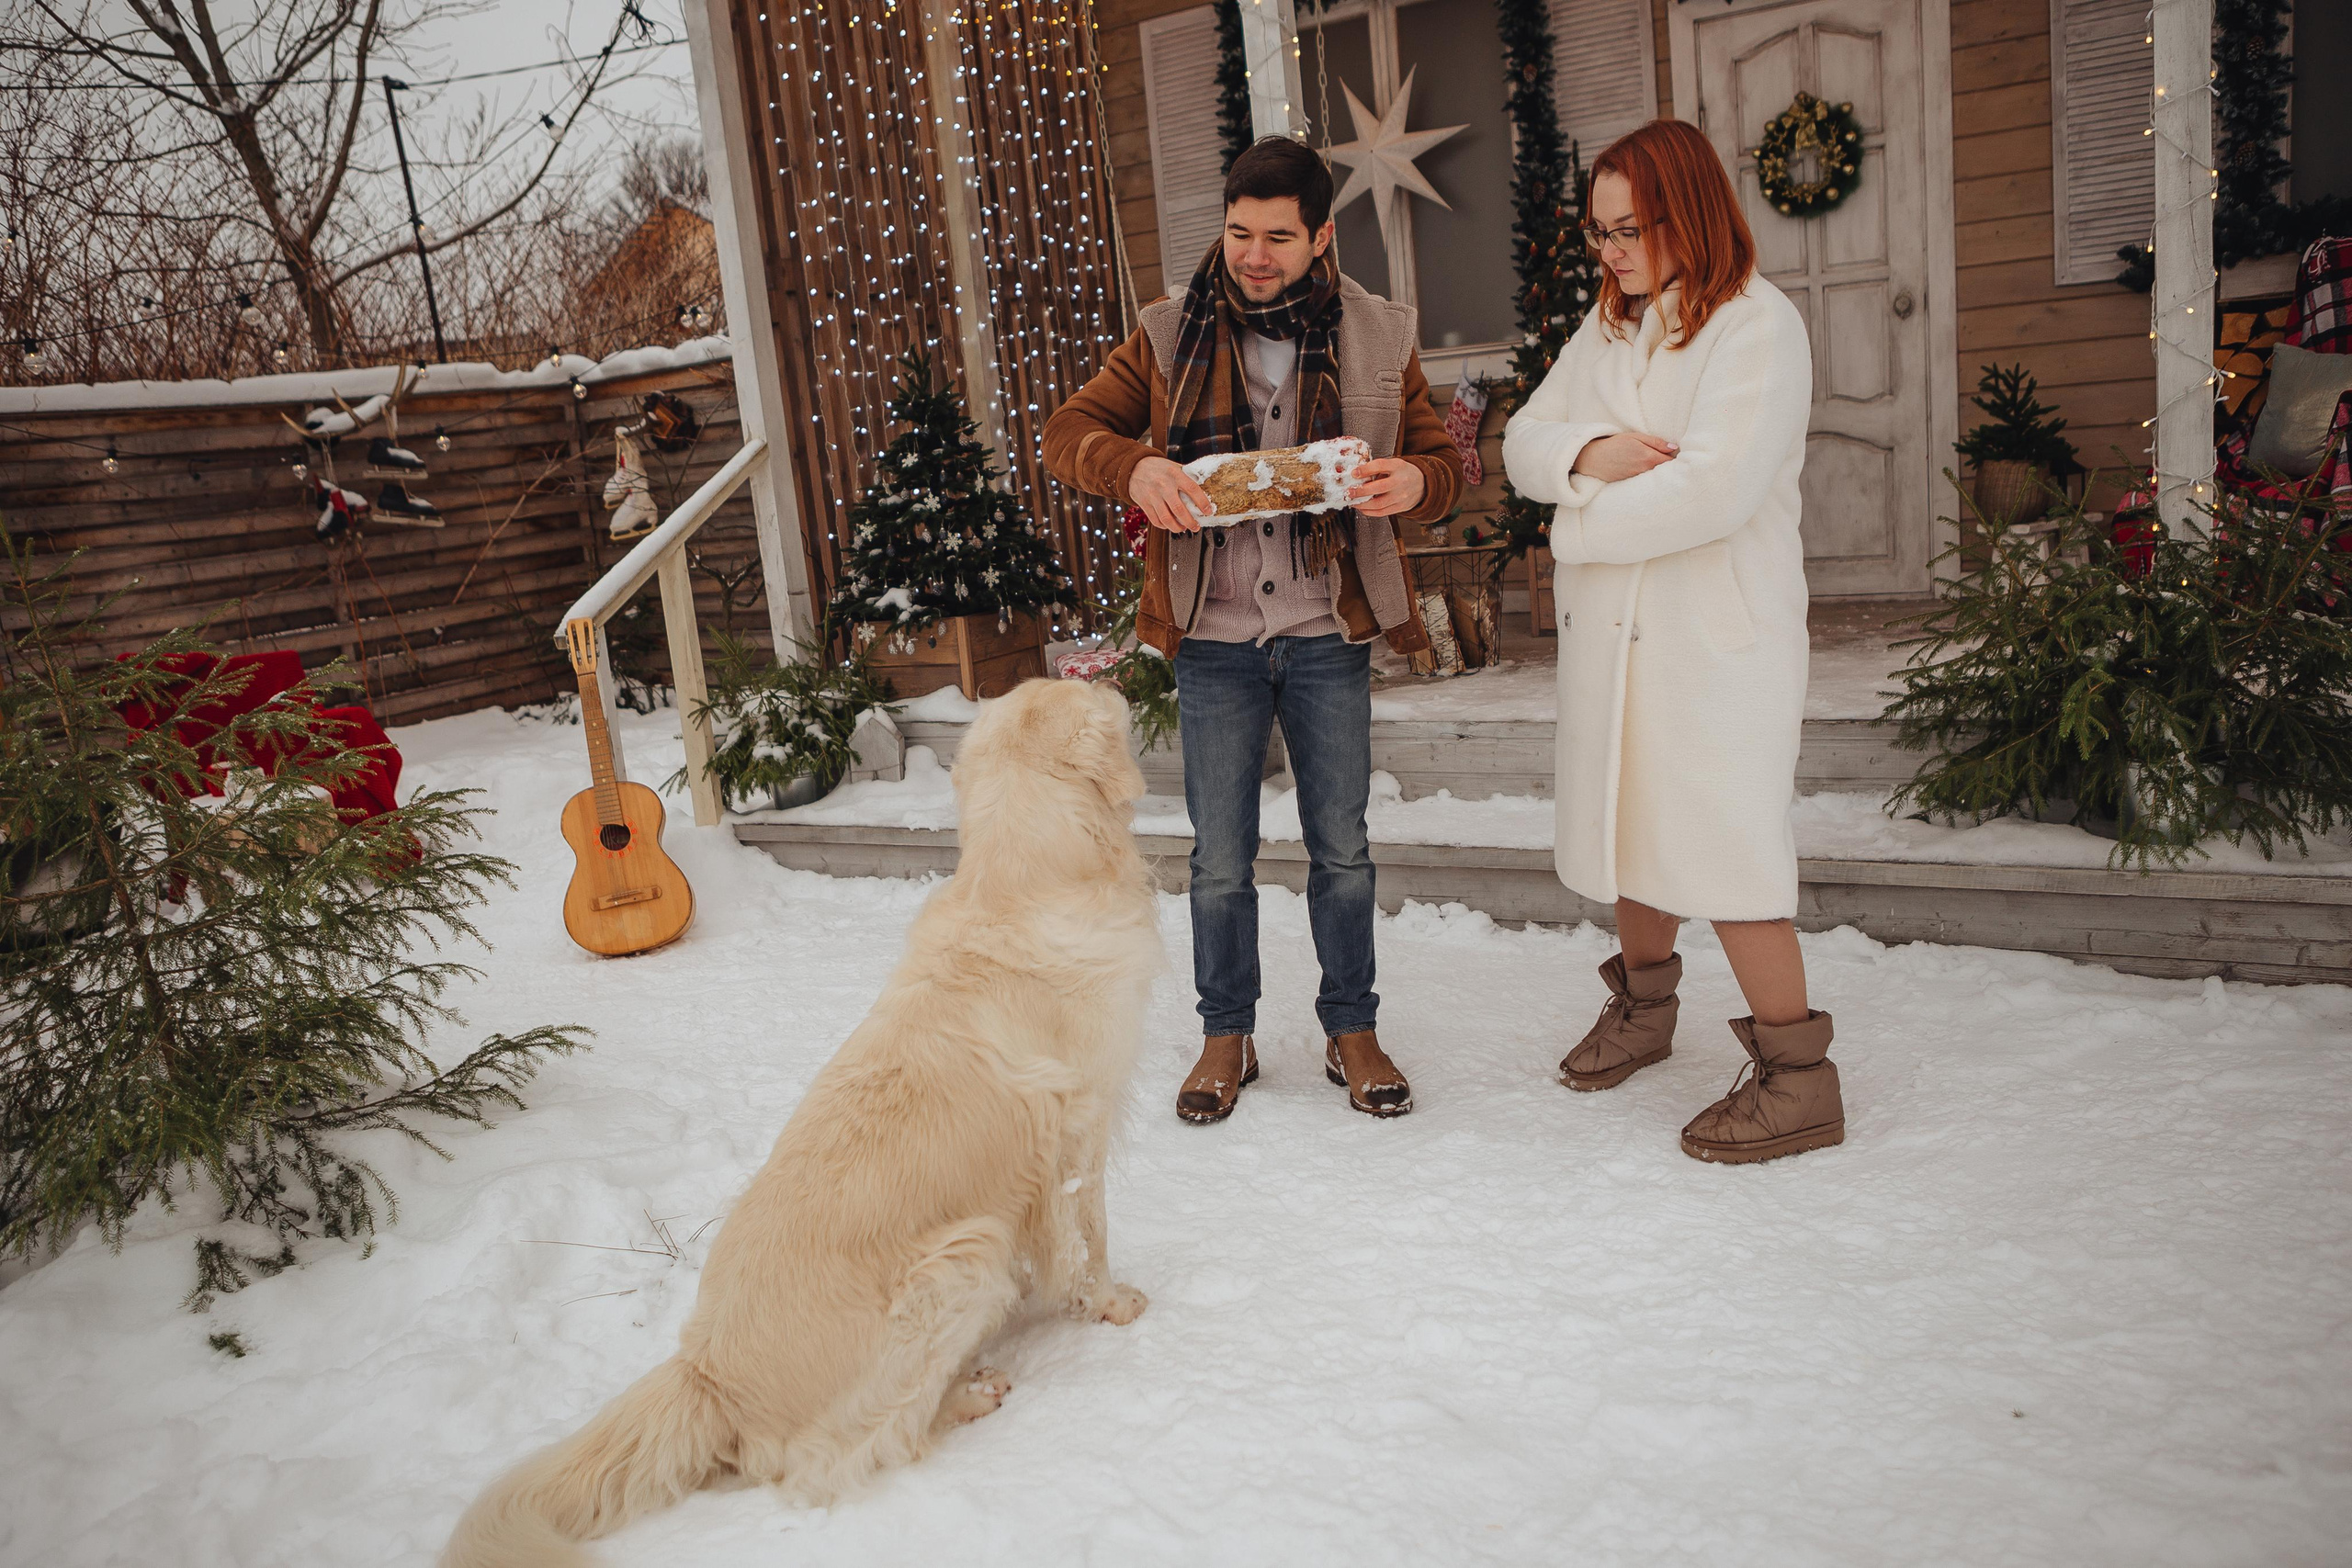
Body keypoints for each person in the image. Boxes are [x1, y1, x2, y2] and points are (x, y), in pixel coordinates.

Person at [1042, 136, 1464, 1125]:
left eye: (1279, 236)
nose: (1254, 254)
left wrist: (1414, 482)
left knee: (1344, 850)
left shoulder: (1379, 331)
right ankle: (1223, 1033)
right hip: (1216, 638)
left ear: (1322, 237)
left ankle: (1350, 1028)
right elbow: (1067, 433)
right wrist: (1135, 468)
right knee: (1218, 858)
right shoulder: (1164, 331)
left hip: (1327, 630)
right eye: (1239, 232)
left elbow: (1439, 465)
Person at [1500, 118, 1846, 1165]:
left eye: (1628, 229)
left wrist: (1574, 519)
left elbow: (1716, 488)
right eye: (1598, 232)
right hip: (1620, 638)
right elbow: (1523, 440)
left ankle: (1799, 1077)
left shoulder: (1756, 326)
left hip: (1715, 635)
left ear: (1685, 211)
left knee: (1727, 845)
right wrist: (1589, 450)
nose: (1608, 253)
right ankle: (1646, 1010)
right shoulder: (1608, 327)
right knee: (1628, 821)